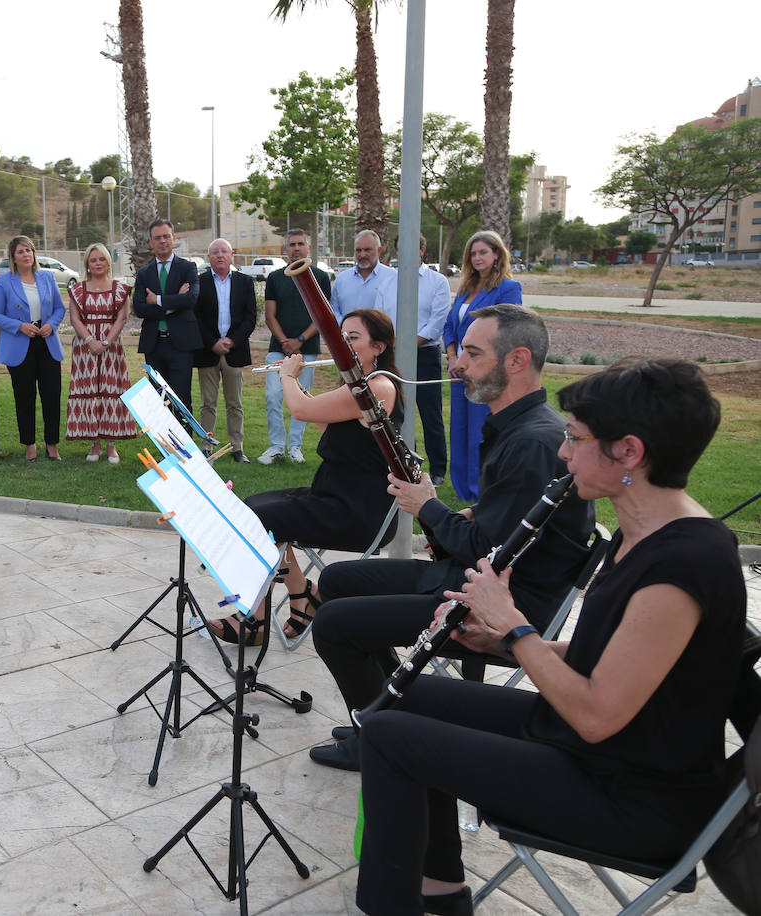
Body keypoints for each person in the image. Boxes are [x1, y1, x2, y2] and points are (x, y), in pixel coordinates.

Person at [355, 357, 744, 916]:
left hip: (633, 794)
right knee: (405, 700)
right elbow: (613, 658)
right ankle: (441, 891)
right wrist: (497, 638)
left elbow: (596, 713)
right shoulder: (643, 530)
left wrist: (515, 628)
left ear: (629, 452)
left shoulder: (685, 564)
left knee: (393, 739)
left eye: (576, 438)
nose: (563, 453)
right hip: (596, 747)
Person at [308, 304, 595, 772]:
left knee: (335, 624)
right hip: (477, 578)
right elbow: (502, 520)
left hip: (500, 606)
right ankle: (386, 709)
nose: (456, 363)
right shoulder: (521, 428)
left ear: (517, 360)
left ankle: (375, 738)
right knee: (339, 580)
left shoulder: (532, 441)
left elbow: (488, 550)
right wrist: (457, 513)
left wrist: (429, 507)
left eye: (472, 353)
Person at [209, 309, 406, 644]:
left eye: (353, 337)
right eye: (341, 336)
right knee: (255, 508)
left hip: (357, 510)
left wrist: (286, 376)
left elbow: (299, 410)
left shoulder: (380, 387)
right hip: (334, 493)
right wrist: (297, 383)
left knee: (261, 518)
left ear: (379, 347)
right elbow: (325, 424)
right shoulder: (359, 385)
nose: (343, 343)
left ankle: (256, 619)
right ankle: (303, 595)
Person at [444, 230, 522, 501]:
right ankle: (462, 489)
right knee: (459, 429)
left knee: (480, 431)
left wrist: (474, 359)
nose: (477, 258)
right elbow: (450, 325)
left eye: (483, 252)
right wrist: (452, 355)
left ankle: (479, 490)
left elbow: (505, 331)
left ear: (497, 254)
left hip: (485, 372)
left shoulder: (508, 288)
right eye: (473, 254)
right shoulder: (465, 287)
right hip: (459, 371)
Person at [372, 234, 452, 485]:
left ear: (422, 250)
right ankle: (406, 463)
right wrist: (392, 346)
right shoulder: (387, 283)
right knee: (397, 411)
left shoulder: (437, 282)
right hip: (393, 354)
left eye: (410, 250)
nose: (405, 255)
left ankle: (438, 468)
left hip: (425, 354)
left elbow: (438, 320)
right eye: (400, 250)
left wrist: (410, 344)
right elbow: (379, 318)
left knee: (431, 413)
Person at [0, 234, 66, 461]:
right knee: (24, 397)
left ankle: (52, 445)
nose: (26, 255)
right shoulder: (4, 282)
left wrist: (51, 325)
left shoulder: (48, 278)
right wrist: (19, 326)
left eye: (29, 250)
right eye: (21, 251)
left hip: (47, 343)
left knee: (52, 396)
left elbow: (60, 309)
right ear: (13, 257)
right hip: (19, 345)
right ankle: (29, 445)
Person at [259, 230, 328, 465]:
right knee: (272, 396)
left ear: (308, 248)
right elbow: (270, 316)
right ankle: (276, 446)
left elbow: (323, 316)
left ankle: (295, 446)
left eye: (301, 244)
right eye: (291, 245)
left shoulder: (321, 277)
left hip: (307, 349)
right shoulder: (276, 278)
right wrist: (286, 343)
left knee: (302, 398)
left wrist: (300, 340)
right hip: (279, 349)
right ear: (284, 250)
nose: (296, 248)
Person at [65, 242, 136, 463]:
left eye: (102, 259)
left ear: (108, 262)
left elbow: (121, 318)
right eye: (93, 260)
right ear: (87, 263)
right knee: (90, 391)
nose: (98, 263)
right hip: (85, 349)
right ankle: (94, 444)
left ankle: (111, 444)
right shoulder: (77, 289)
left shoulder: (119, 289)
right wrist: (89, 340)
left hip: (111, 348)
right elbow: (75, 318)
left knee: (110, 390)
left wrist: (105, 341)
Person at [193, 238, 256, 463]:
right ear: (209, 257)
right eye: (215, 252)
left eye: (224, 251)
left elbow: (250, 318)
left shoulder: (245, 282)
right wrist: (213, 342)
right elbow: (196, 317)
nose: (219, 255)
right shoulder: (199, 283)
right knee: (208, 403)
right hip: (207, 351)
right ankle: (206, 446)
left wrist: (232, 341)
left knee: (234, 403)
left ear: (232, 255)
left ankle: (237, 448)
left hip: (234, 351)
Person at [132, 219, 200, 410]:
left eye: (166, 236)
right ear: (151, 242)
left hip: (181, 345)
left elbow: (191, 299)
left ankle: (184, 440)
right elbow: (139, 308)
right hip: (154, 345)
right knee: (159, 401)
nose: (162, 241)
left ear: (173, 238)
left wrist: (158, 300)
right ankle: (164, 441)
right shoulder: (144, 273)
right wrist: (174, 301)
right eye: (157, 238)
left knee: (181, 400)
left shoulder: (188, 268)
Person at [331, 230, 396, 322]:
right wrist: (345, 326)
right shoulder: (342, 279)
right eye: (358, 250)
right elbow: (334, 309)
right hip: (345, 334)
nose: (362, 254)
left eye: (367, 250)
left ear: (379, 250)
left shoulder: (393, 278)